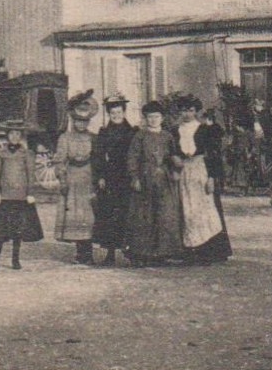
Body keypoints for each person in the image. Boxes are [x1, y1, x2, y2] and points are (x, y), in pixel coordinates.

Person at [171, 97, 231, 263]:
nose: (187, 114)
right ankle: (190, 249)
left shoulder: (205, 130)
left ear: (196, 111)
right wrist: (175, 161)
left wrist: (211, 178)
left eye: (190, 110)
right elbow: (171, 152)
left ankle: (208, 251)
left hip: (200, 170)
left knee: (204, 209)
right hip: (184, 171)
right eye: (183, 110)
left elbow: (213, 155)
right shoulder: (175, 131)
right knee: (187, 208)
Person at [125, 100, 183, 265]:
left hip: (164, 179)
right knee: (145, 215)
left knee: (165, 214)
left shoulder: (168, 136)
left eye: (156, 116)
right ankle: (143, 254)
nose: (153, 120)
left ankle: (162, 253)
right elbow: (132, 157)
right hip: (145, 178)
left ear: (162, 118)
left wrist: (175, 169)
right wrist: (135, 177)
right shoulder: (140, 136)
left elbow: (174, 155)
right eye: (150, 117)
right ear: (146, 118)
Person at [0, 119, 43, 270]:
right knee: (0, 231)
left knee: (18, 230)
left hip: (20, 197)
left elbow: (31, 175)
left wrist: (30, 193)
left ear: (21, 136)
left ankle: (15, 260)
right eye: (12, 133)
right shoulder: (0, 154)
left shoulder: (27, 154)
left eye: (18, 133)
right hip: (4, 197)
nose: (15, 136)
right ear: (7, 135)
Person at [53, 90, 99, 264]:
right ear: (73, 120)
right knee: (75, 216)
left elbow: (99, 160)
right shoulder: (65, 138)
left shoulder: (93, 138)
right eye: (78, 121)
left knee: (88, 217)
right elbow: (59, 160)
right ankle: (80, 253)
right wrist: (62, 179)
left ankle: (88, 253)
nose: (81, 124)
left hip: (88, 179)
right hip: (72, 179)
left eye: (84, 121)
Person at [90, 93, 135, 265]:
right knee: (109, 214)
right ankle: (109, 253)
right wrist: (100, 175)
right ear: (109, 114)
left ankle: (130, 252)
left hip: (127, 176)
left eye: (119, 112)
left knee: (127, 213)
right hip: (110, 176)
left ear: (124, 112)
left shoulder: (132, 132)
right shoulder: (104, 132)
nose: (116, 116)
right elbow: (98, 155)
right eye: (113, 113)